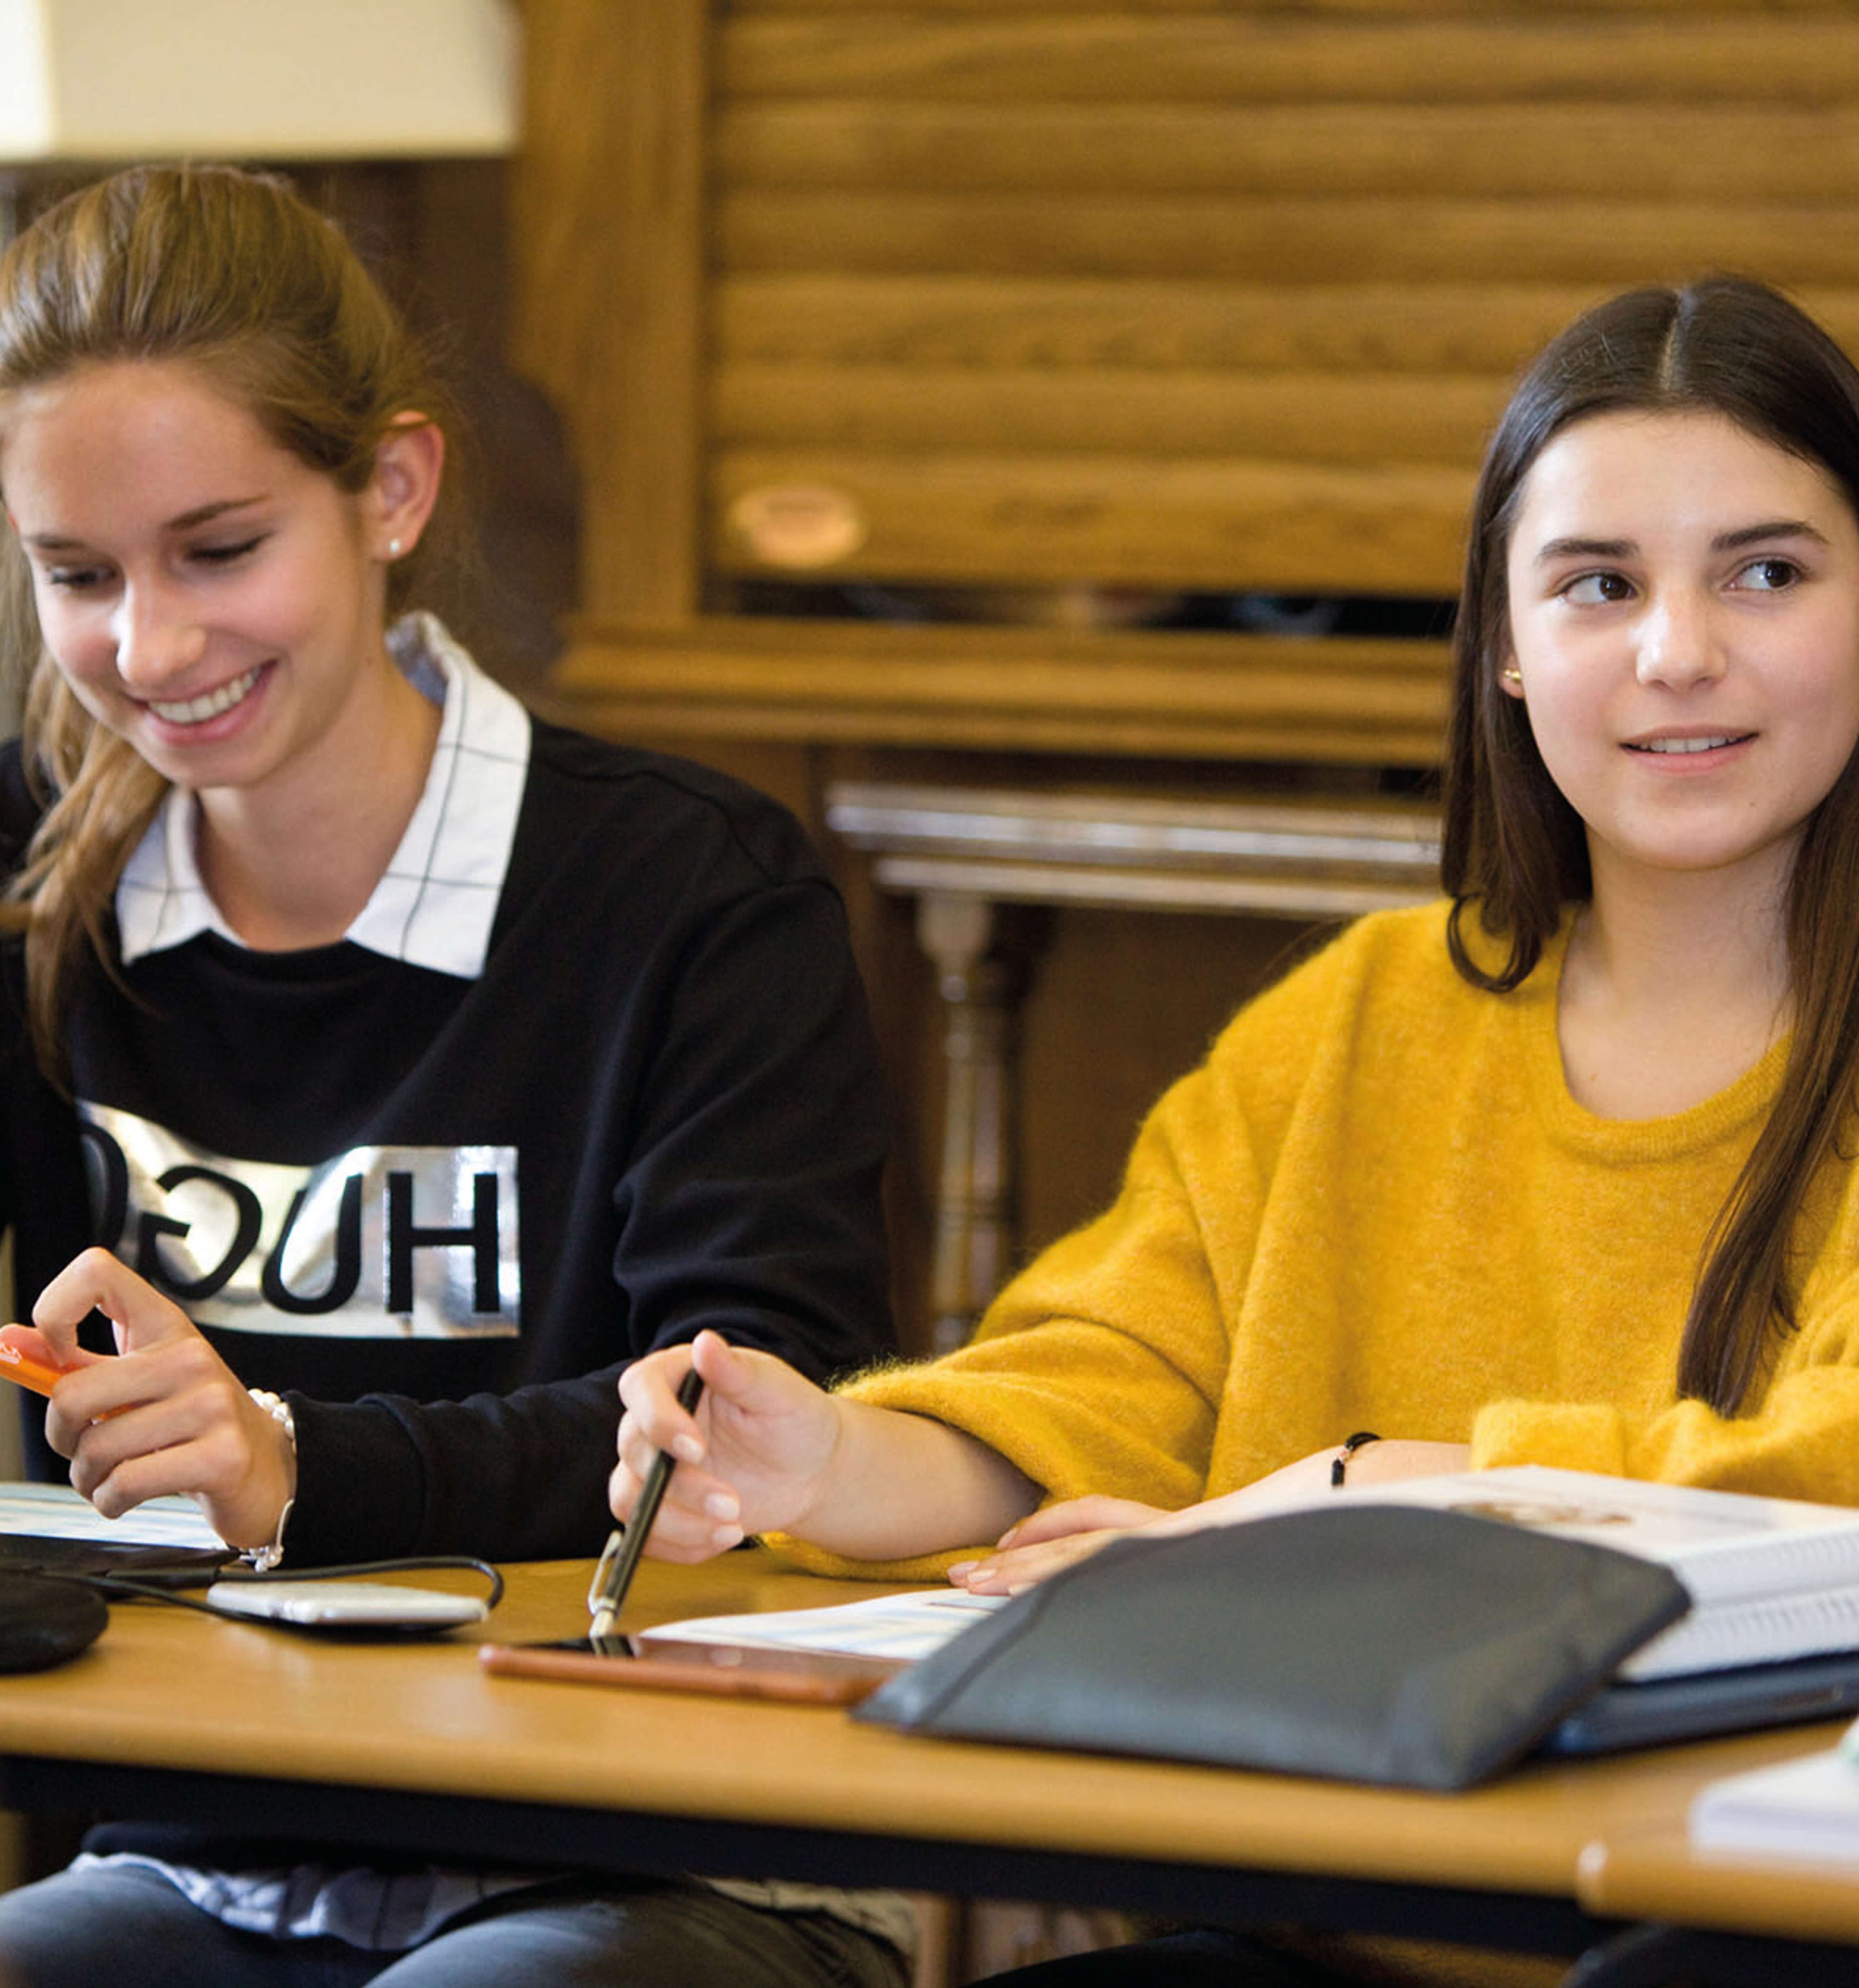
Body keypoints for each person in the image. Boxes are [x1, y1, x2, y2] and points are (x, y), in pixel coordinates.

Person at [611, 273, 1859, 1985]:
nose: (1678, 652)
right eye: (1598, 585)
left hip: (1737, 1920)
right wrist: (823, 1460)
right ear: (1503, 645)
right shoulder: (1362, 1016)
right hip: (1324, 1914)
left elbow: (1823, 1483)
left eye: (1767, 571)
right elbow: (1102, 1384)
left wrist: (1354, 1496)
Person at [0, 163, 909, 1988]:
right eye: (77, 575)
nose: (148, 652)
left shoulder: (694, 893)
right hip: (202, 1860)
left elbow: (731, 1435)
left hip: (660, 1863)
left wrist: (285, 1461)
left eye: (220, 550)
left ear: (393, 490)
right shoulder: (10, 869)